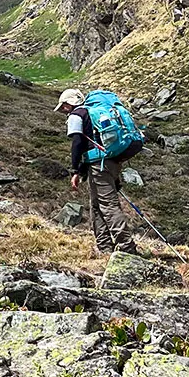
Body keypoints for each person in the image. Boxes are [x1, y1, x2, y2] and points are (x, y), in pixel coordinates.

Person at [56, 88, 138, 254]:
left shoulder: (77, 115)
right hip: (111, 161)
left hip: (99, 165)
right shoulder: (92, 113)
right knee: (97, 205)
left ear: (70, 103)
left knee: (108, 205)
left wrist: (75, 171)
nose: (63, 110)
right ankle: (104, 247)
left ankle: (127, 248)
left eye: (64, 106)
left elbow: (78, 143)